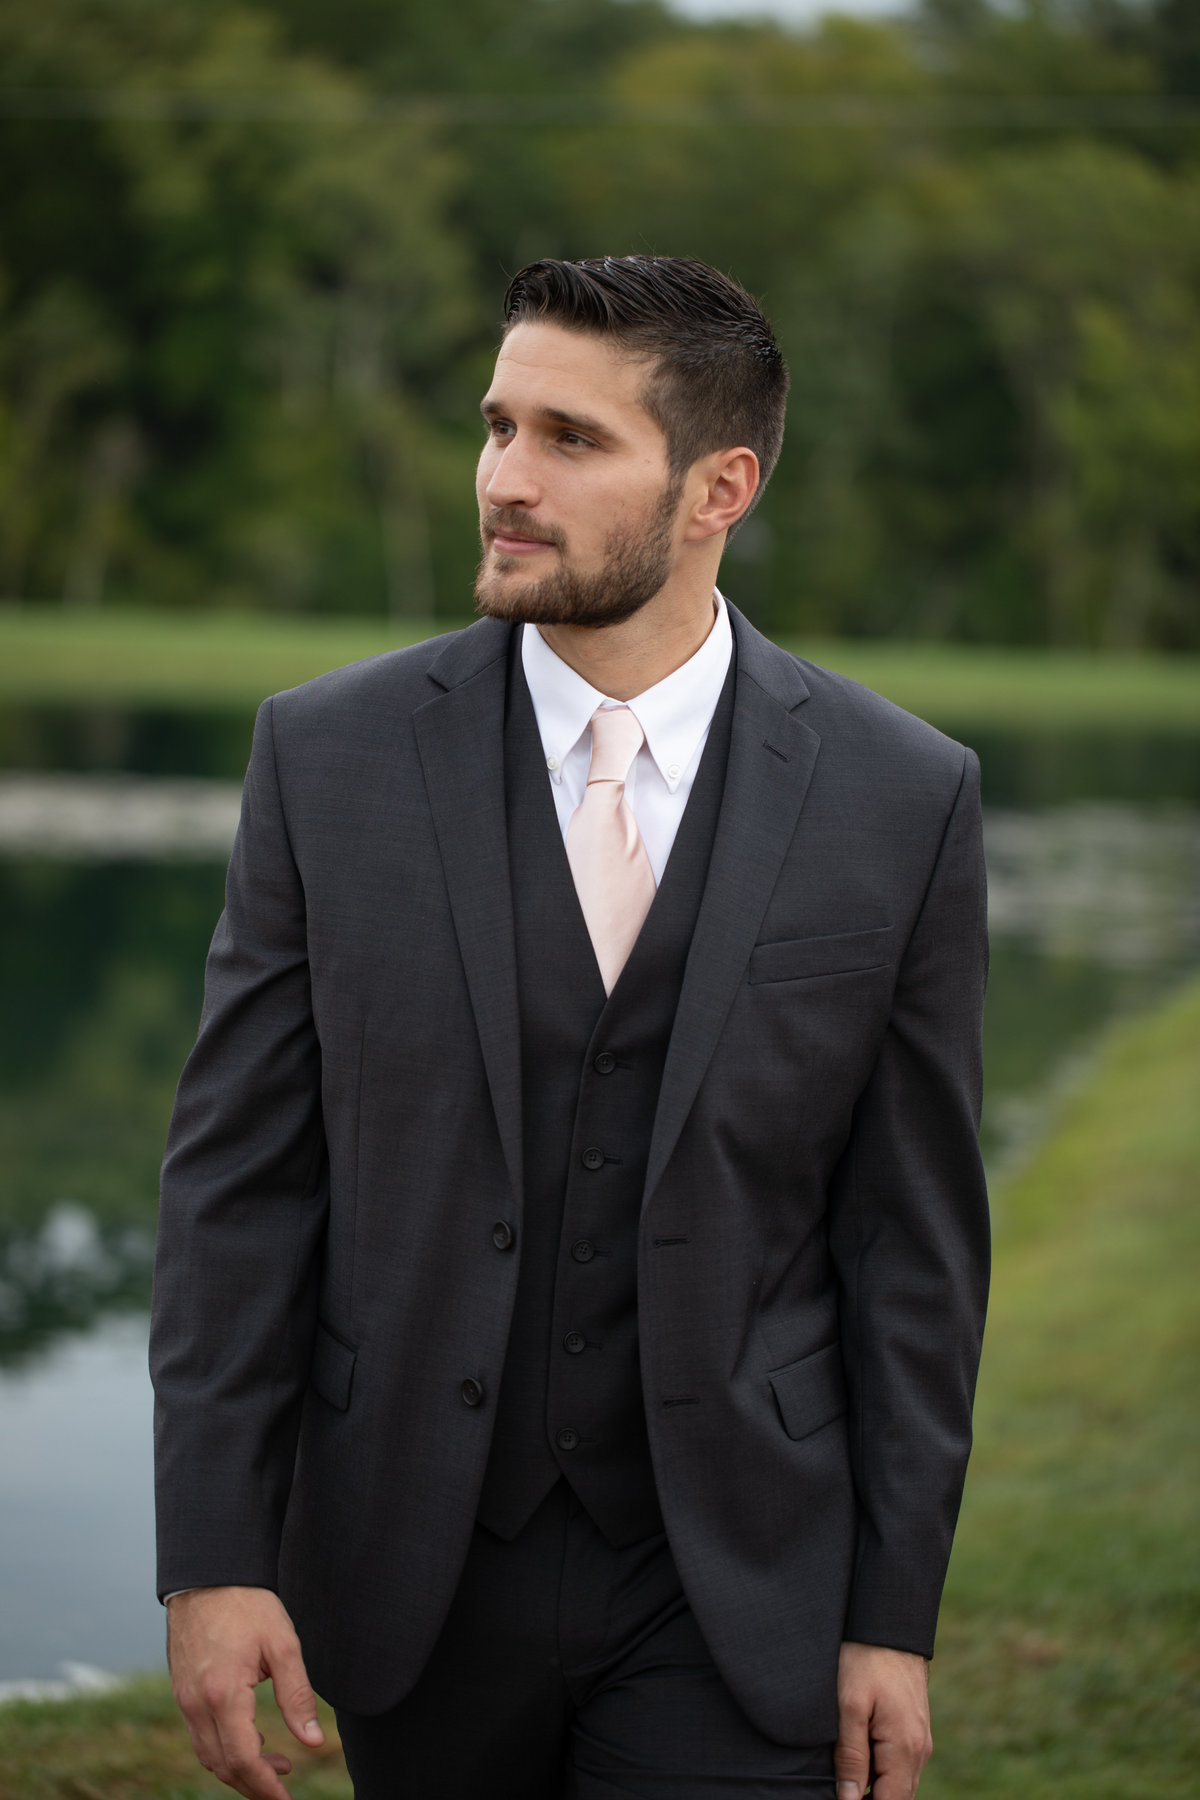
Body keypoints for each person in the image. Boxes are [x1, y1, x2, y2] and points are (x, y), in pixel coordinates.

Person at [151, 255, 989, 1800]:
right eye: (497, 426)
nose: (505, 481)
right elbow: (239, 1194)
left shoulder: (903, 797)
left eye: (572, 440)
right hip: (415, 1558)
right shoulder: (326, 758)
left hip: (737, 1570)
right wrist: (213, 1556)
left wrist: (892, 1615)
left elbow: (912, 1247)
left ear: (717, 486)